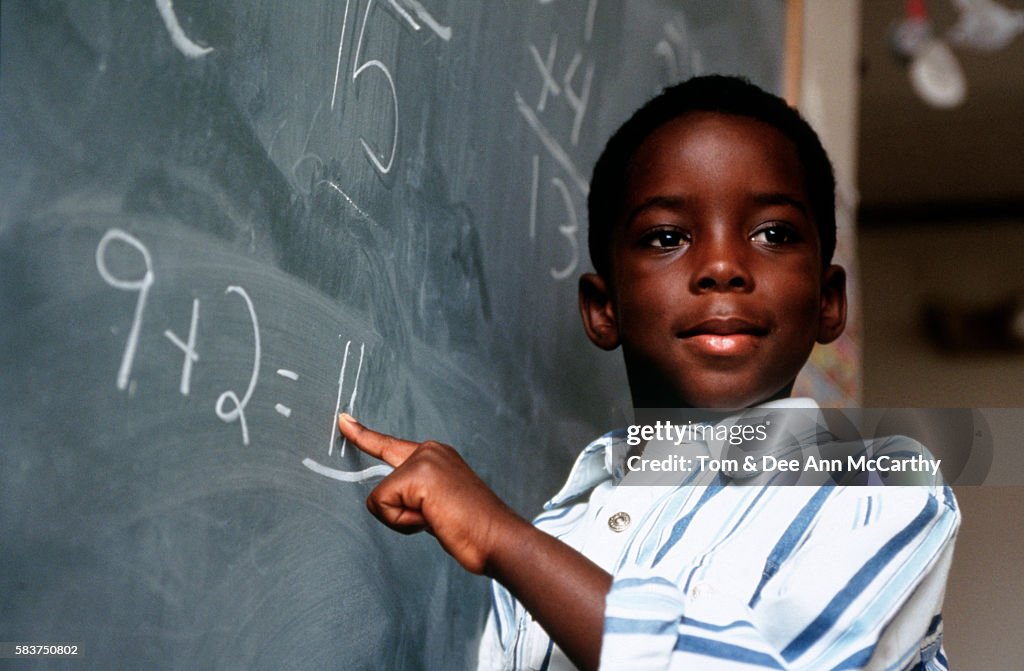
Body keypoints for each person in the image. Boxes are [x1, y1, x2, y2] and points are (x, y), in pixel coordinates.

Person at [337, 75, 960, 670]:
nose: (722, 266)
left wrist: (505, 541)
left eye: (772, 233)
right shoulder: (565, 528)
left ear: (828, 303)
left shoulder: (876, 492)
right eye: (666, 238)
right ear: (604, 311)